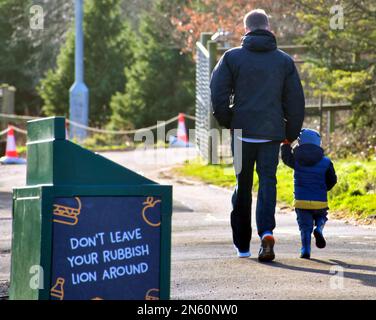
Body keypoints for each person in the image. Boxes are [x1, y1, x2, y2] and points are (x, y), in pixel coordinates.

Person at [210, 9, 305, 261]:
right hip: (272, 134)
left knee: (243, 185)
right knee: (268, 183)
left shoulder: (232, 58)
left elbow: (217, 93)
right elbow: (295, 100)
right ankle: (266, 233)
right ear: (268, 27)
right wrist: (290, 133)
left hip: (242, 133)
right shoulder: (284, 61)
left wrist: (229, 121)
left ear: (246, 29)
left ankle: (243, 246)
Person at [281, 129, 337, 259]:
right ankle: (319, 229)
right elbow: (332, 180)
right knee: (322, 216)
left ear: (300, 143)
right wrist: (324, 189)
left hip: (301, 202)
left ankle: (305, 249)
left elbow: (285, 158)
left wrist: (285, 143)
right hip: (320, 201)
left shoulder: (296, 160)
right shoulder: (326, 162)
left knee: (305, 227)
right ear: (318, 143)